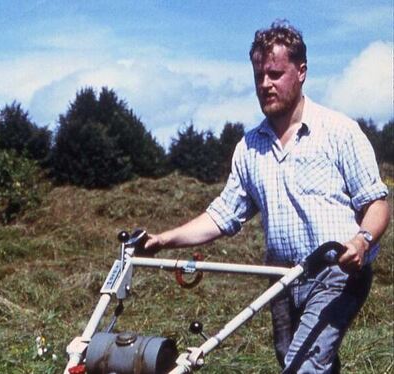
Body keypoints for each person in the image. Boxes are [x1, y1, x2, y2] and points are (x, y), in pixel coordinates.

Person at [144, 20, 390, 373]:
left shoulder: (339, 132)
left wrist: (363, 240)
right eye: (259, 76)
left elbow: (377, 203)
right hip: (282, 278)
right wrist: (165, 239)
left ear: (301, 71)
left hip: (336, 271)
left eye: (275, 74)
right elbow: (222, 216)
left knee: (302, 365)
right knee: (296, 360)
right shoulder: (249, 147)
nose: (265, 85)